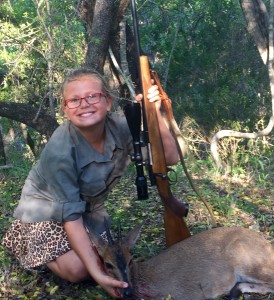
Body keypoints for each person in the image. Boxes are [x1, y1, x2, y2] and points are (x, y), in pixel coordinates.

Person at [2, 68, 180, 298]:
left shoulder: (123, 126)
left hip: (89, 211)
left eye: (92, 96)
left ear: (108, 102)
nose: (84, 104)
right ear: (65, 110)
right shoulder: (60, 149)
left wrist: (154, 114)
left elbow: (171, 157)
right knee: (80, 269)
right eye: (74, 100)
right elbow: (71, 218)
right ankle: (26, 244)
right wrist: (99, 276)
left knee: (105, 256)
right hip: (46, 213)